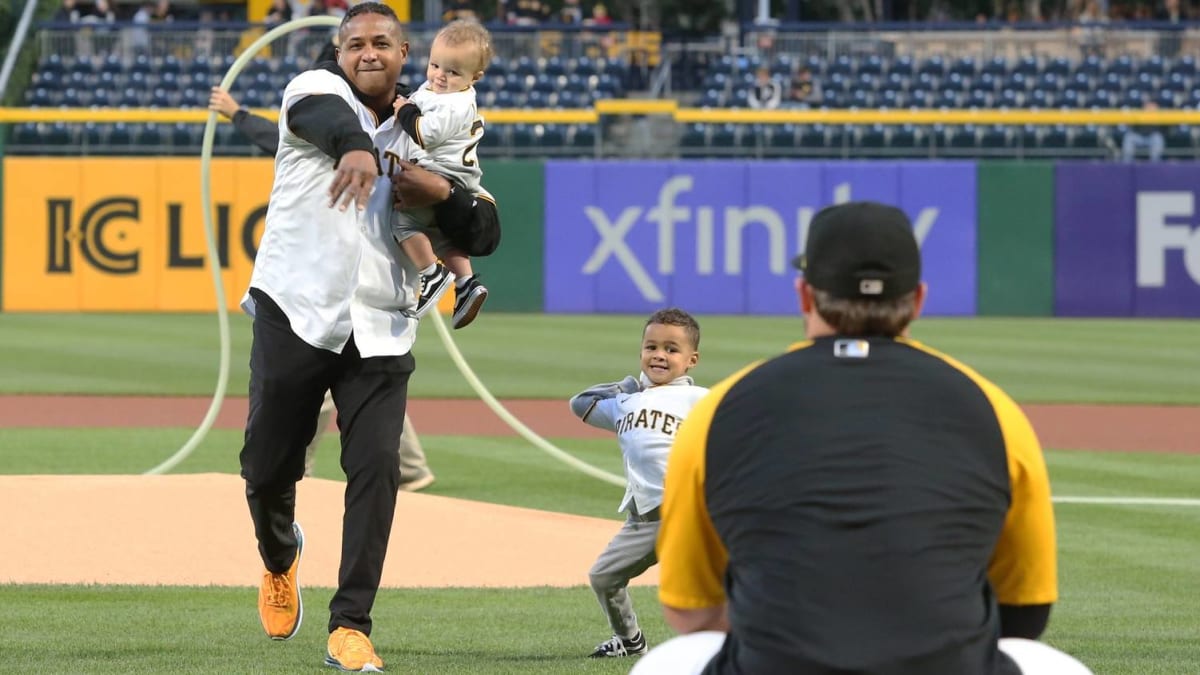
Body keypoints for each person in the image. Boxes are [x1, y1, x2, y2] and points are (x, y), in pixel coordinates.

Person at [634, 202, 1092, 675]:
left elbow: (690, 611)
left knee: (668, 662)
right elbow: (1026, 616)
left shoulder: (717, 411)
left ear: (805, 296)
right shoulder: (996, 411)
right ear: (917, 299)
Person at [240, 4, 498, 671]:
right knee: (267, 469)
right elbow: (324, 126)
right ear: (340, 50)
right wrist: (358, 148)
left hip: (382, 322)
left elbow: (483, 230)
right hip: (296, 309)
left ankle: (349, 624)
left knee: (377, 467)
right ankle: (279, 554)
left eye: (382, 41)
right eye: (355, 43)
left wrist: (440, 190)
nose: (368, 52)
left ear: (405, 52)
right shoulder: (313, 89)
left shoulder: (432, 118)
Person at [208, 86, 437, 492]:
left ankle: (307, 469)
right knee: (368, 381)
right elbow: (283, 132)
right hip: (338, 274)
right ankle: (412, 468)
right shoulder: (337, 124)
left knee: (333, 376)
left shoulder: (369, 128)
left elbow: (277, 134)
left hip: (350, 272)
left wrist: (237, 112)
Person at [568, 308, 709, 660]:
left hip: (689, 513)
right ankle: (631, 642)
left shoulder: (699, 399)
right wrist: (627, 387)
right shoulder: (626, 402)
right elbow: (580, 404)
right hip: (644, 519)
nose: (660, 355)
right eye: (651, 347)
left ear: (692, 360)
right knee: (603, 577)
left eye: (672, 349)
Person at [387, 19, 493, 328]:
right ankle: (466, 283)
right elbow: (420, 99)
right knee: (438, 235)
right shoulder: (438, 91)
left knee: (403, 223)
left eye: (452, 72)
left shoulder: (457, 103)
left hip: (443, 174)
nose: (440, 76)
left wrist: (404, 110)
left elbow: (425, 133)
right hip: (449, 175)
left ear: (475, 77)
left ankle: (431, 275)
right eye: (435, 65)